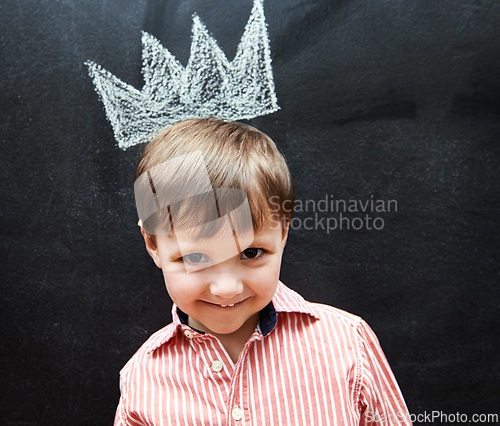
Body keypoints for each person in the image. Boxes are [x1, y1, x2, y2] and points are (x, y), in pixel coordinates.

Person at [115, 118, 412, 425]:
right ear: (153, 244)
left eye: (251, 253)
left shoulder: (348, 343)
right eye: (195, 257)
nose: (227, 288)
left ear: (282, 234)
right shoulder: (142, 380)